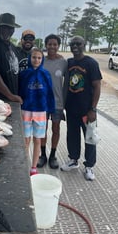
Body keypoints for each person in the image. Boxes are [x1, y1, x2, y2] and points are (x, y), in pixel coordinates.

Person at [60, 36, 102, 181]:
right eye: (72, 44)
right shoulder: (69, 62)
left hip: (86, 110)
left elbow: (97, 87)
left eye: (78, 44)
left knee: (89, 138)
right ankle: (73, 160)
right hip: (71, 108)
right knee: (72, 136)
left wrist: (93, 109)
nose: (75, 46)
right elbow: (66, 84)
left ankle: (89, 166)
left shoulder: (91, 63)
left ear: (84, 45)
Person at [19, 47, 55, 176]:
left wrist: (51, 109)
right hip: (26, 110)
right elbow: (19, 92)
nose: (36, 60)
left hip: (40, 111)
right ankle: (23, 164)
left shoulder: (46, 74)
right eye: (34, 57)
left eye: (39, 58)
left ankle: (33, 167)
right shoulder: (24, 74)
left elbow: (50, 93)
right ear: (30, 58)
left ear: (42, 59)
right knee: (26, 140)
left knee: (38, 140)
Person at [37, 34, 67, 169]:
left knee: (56, 128)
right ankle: (42, 154)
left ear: (58, 46)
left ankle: (53, 155)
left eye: (55, 44)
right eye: (50, 44)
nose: (52, 47)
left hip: (57, 102)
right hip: (42, 102)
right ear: (46, 45)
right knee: (42, 129)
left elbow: (69, 82)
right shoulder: (41, 60)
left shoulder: (63, 62)